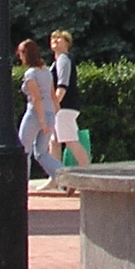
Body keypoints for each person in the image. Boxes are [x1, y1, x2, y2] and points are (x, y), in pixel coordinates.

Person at [16, 38, 72, 194]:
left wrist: (41, 121)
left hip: (35, 114)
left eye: (21, 54)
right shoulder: (46, 71)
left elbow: (36, 99)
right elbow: (53, 96)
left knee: (23, 151)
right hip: (50, 114)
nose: (20, 58)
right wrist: (53, 116)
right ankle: (66, 177)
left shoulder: (31, 74)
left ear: (26, 54)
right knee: (41, 153)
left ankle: (20, 185)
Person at [48, 29, 91, 168]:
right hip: (62, 107)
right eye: (53, 38)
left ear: (67, 43)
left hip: (64, 107)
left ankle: (87, 172)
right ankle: (55, 177)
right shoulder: (58, 61)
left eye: (59, 38)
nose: (55, 40)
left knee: (70, 140)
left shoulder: (63, 59)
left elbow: (62, 85)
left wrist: (54, 105)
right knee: (54, 141)